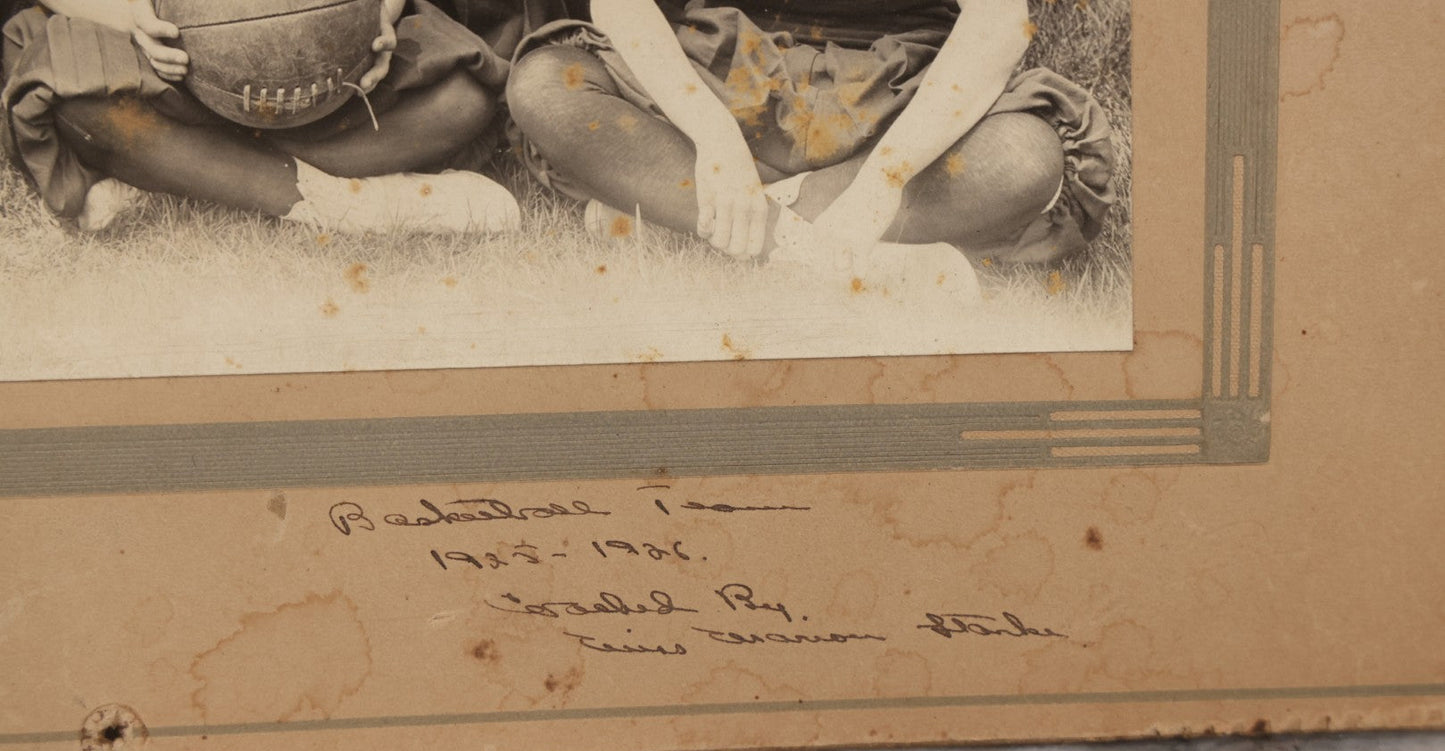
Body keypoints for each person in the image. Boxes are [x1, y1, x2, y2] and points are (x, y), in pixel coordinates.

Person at [506, 0, 1116, 293]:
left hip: (894, 97)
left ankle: (688, 214)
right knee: (547, 86)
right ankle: (832, 248)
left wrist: (888, 177)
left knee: (1024, 157)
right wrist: (711, 136)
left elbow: (997, 22)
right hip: (723, 76)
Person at [1, 0, 550, 233]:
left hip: (327, 74)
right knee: (75, 97)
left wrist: (377, 19)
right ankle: (328, 202)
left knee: (461, 100)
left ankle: (188, 168)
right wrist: (129, 16)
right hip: (165, 63)